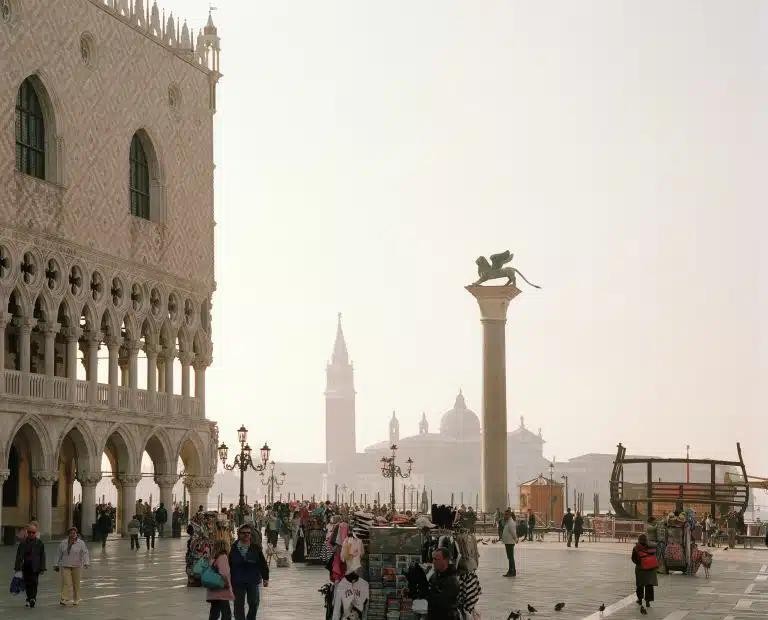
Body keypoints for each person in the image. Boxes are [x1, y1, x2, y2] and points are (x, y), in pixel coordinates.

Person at [229, 524, 269, 620]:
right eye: (244, 533)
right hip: (238, 581)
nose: (246, 535)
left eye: (248, 533)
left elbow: (262, 563)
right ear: (239, 534)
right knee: (238, 605)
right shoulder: (233, 548)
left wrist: (265, 577)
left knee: (254, 602)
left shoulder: (256, 548)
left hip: (253, 580)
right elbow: (229, 564)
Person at [55, 526, 90, 606]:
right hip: (65, 565)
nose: (73, 534)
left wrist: (86, 562)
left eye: (74, 533)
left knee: (76, 583)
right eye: (71, 533)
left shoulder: (81, 543)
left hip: (77, 565)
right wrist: (56, 564)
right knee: (66, 582)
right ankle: (64, 598)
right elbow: (58, 554)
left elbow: (85, 552)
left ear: (76, 534)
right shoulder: (63, 543)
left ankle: (76, 599)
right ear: (69, 534)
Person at [14, 523, 46, 608]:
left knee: (34, 582)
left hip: (35, 566)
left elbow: (42, 556)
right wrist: (17, 567)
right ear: (27, 532)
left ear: (36, 533)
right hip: (25, 566)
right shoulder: (23, 543)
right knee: (27, 583)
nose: (31, 534)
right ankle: (29, 598)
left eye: (33, 532)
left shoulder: (39, 543)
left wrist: (42, 568)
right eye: (29, 532)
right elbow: (19, 555)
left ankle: (33, 598)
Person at [428, 547, 460, 619]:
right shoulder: (435, 576)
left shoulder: (452, 581)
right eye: (433, 559)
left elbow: (442, 603)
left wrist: (427, 594)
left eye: (437, 559)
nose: (433, 562)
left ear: (445, 561)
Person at [207, 540, 235, 620]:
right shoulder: (223, 557)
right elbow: (224, 573)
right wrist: (228, 585)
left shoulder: (213, 558)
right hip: (221, 590)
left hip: (213, 590)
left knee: (214, 613)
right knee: (226, 614)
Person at [631, 534, 658, 611]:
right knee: (649, 585)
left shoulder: (636, 548)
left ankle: (639, 599)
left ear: (639, 540)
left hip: (640, 569)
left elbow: (633, 559)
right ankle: (648, 601)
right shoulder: (651, 547)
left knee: (640, 584)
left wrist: (640, 563)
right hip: (651, 569)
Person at [501, 509, 519, 577]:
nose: (504, 516)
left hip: (510, 542)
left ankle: (512, 571)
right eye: (504, 514)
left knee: (510, 557)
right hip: (508, 541)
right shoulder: (508, 522)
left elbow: (513, 532)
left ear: (509, 515)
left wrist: (516, 539)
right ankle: (510, 570)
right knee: (509, 557)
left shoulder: (511, 522)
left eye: (506, 514)